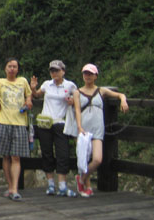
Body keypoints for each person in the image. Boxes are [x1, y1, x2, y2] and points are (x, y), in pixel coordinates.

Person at [63, 63, 129, 197]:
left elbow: (120, 95)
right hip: (83, 128)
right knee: (84, 159)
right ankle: (86, 187)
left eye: (90, 74)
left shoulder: (101, 91)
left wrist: (123, 101)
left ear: (96, 76)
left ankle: (81, 179)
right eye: (85, 73)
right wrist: (79, 127)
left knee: (97, 159)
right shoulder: (77, 92)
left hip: (97, 129)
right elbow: (77, 110)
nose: (87, 76)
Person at [30, 60, 78, 197]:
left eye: (57, 70)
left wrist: (73, 101)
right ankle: (51, 184)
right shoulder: (47, 84)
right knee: (47, 153)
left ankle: (62, 185)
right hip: (45, 122)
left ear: (63, 71)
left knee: (63, 153)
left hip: (60, 122)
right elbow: (37, 95)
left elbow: (78, 99)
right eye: (52, 71)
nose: (54, 73)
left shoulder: (70, 85)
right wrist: (33, 88)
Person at [0, 58, 32, 201]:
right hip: (3, 121)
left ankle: (15, 189)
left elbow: (29, 95)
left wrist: (29, 101)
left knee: (16, 157)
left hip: (20, 123)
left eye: (15, 66)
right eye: (9, 66)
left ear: (18, 69)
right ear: (5, 68)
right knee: (5, 156)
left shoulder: (23, 81)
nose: (12, 69)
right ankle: (10, 187)